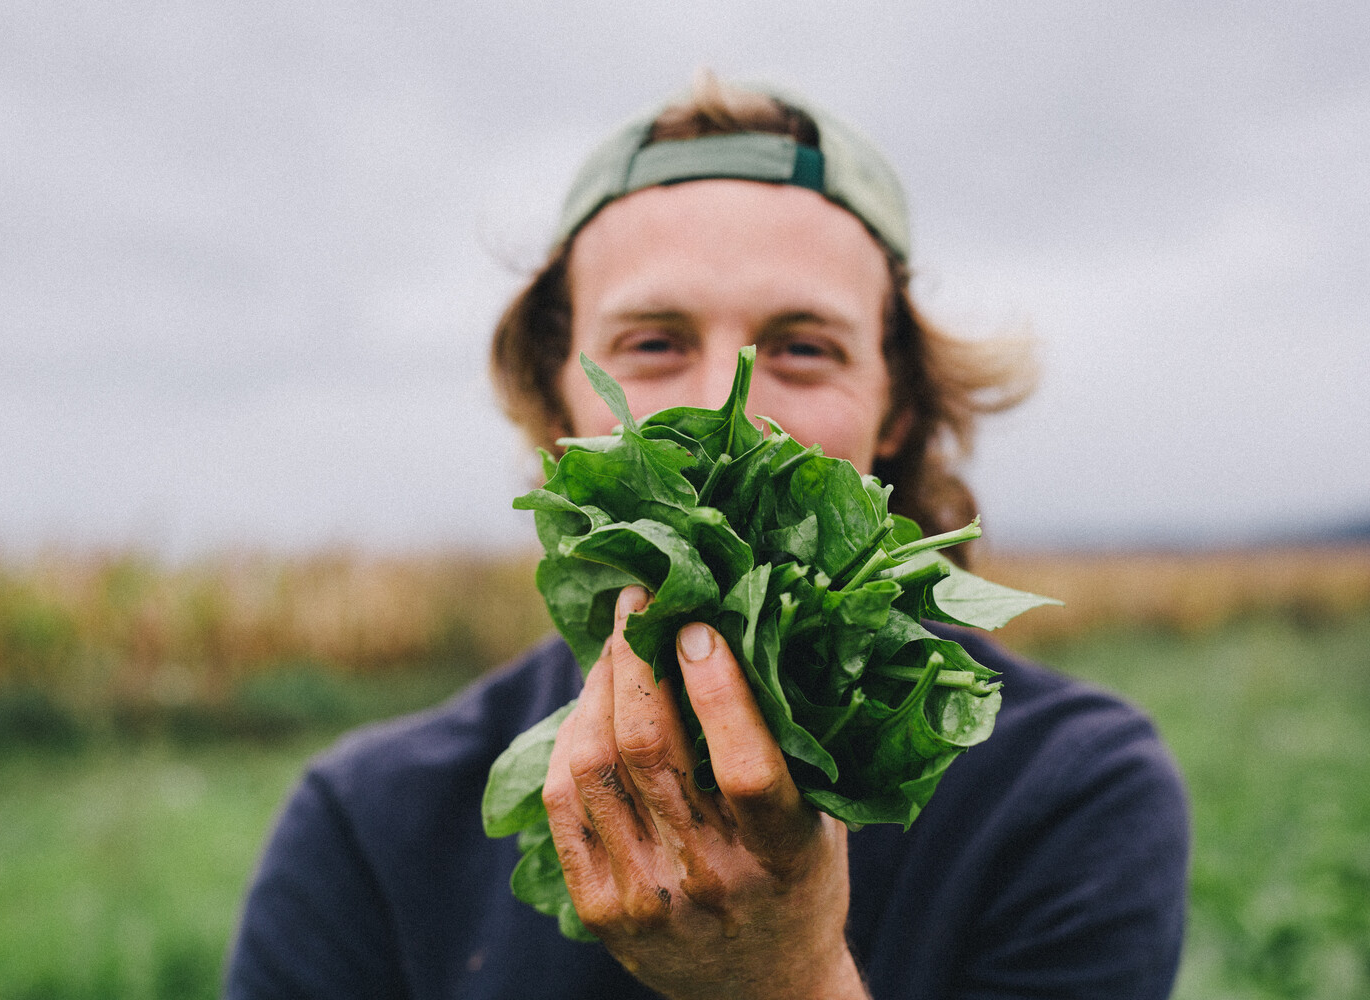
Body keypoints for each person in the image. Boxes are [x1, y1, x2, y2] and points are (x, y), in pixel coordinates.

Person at [225, 74, 1189, 999]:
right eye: (653, 343)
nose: (724, 414)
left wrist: (787, 977)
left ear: (897, 407)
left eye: (805, 349)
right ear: (555, 393)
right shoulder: (366, 828)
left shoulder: (1069, 790)